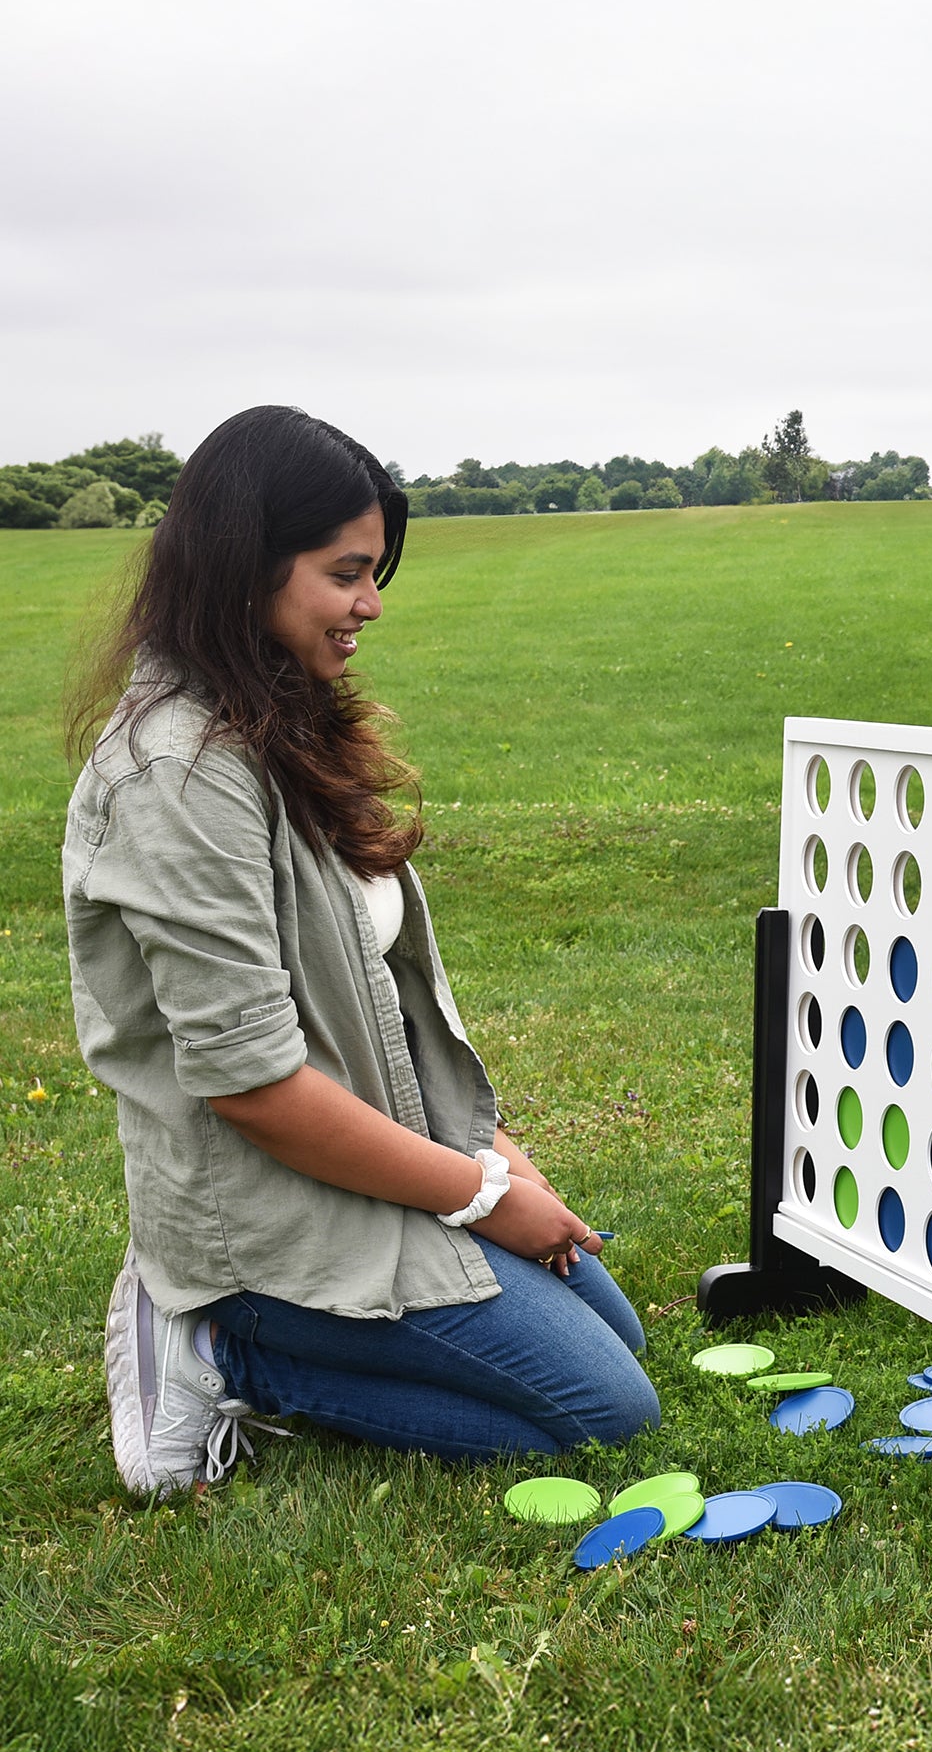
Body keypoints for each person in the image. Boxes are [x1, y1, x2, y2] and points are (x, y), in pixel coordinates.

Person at [65, 406, 659, 1494]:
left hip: (363, 1161)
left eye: (375, 570)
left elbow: (369, 1001)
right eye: (347, 572)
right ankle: (213, 1339)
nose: (371, 605)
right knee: (601, 1410)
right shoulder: (178, 773)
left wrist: (495, 1154)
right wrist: (478, 1196)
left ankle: (257, 1324)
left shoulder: (283, 718)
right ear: (248, 566)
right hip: (264, 1207)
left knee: (617, 1335)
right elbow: (253, 1086)